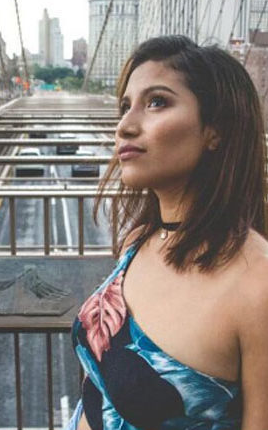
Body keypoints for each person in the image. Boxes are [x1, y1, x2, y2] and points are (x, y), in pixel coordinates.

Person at [68, 36, 268, 430]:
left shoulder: (257, 285)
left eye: (157, 102)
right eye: (125, 106)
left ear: (215, 130)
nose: (125, 126)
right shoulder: (138, 241)